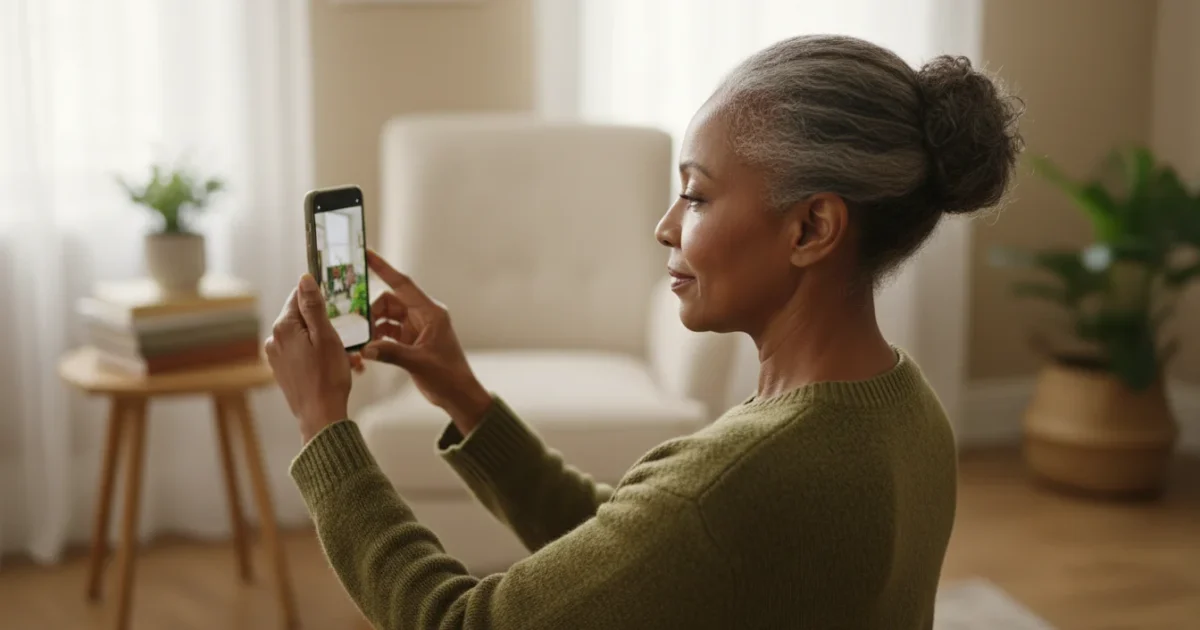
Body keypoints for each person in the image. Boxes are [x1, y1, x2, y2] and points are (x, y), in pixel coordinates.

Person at [266, 34, 1022, 629]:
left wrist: (322, 426)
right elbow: (637, 554)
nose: (666, 226)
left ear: (812, 228)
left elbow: (459, 621)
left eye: (697, 196)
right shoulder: (909, 409)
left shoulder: (744, 476)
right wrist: (463, 395)